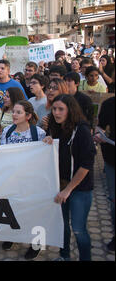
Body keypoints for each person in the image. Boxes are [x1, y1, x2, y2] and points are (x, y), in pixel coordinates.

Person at [43, 94, 96, 261]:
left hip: (79, 189)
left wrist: (68, 190)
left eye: (61, 109)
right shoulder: (56, 127)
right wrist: (48, 140)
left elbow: (86, 165)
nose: (57, 113)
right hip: (60, 185)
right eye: (54, 109)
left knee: (79, 229)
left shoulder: (82, 131)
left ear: (70, 110)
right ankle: (64, 256)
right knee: (62, 226)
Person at [0, 100, 46, 260]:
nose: (14, 115)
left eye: (19, 112)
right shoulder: (7, 131)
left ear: (28, 115)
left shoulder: (38, 133)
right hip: (12, 179)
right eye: (13, 112)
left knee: (34, 212)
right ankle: (13, 236)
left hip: (31, 180)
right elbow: (3, 153)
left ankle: (36, 243)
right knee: (12, 209)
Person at [94, 96, 115, 253]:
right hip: (112, 161)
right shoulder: (109, 104)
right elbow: (100, 127)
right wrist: (100, 136)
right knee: (114, 201)